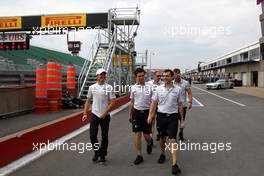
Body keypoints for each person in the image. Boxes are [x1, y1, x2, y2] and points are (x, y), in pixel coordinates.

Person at [147, 69, 184, 175]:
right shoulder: (158, 89)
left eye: (167, 76)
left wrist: (182, 120)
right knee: (162, 138)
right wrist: (150, 115)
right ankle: (162, 153)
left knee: (173, 139)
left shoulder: (178, 89)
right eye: (164, 76)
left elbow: (180, 105)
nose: (165, 78)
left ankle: (174, 164)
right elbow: (154, 103)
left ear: (172, 77)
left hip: (173, 117)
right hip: (161, 117)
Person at [82, 68, 116, 163]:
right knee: (92, 135)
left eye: (104, 75)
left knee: (104, 136)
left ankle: (103, 155)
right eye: (101, 75)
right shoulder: (92, 87)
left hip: (105, 115)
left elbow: (113, 101)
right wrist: (85, 113)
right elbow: (88, 101)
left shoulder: (108, 87)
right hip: (95, 114)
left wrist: (105, 112)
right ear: (97, 76)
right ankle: (97, 152)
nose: (103, 76)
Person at [129, 68, 153, 165]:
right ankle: (139, 155)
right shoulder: (133, 88)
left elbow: (153, 102)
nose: (141, 78)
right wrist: (130, 115)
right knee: (137, 134)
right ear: (136, 77)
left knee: (146, 135)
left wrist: (152, 114)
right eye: (139, 76)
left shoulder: (150, 87)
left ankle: (150, 142)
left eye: (142, 76)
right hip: (136, 113)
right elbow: (131, 102)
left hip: (147, 113)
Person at [173, 68, 193, 141]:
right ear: (174, 75)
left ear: (180, 74)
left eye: (178, 74)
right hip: (173, 106)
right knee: (174, 122)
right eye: (175, 74)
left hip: (183, 105)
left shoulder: (185, 83)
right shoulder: (171, 82)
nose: (177, 76)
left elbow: (189, 92)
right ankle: (173, 136)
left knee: (182, 120)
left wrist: (190, 102)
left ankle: (181, 132)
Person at [147, 70, 163, 142]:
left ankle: (159, 133)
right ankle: (151, 138)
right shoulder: (149, 84)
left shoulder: (163, 83)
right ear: (154, 76)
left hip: (161, 106)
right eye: (157, 76)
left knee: (160, 122)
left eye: (160, 76)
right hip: (152, 105)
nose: (159, 77)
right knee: (152, 122)